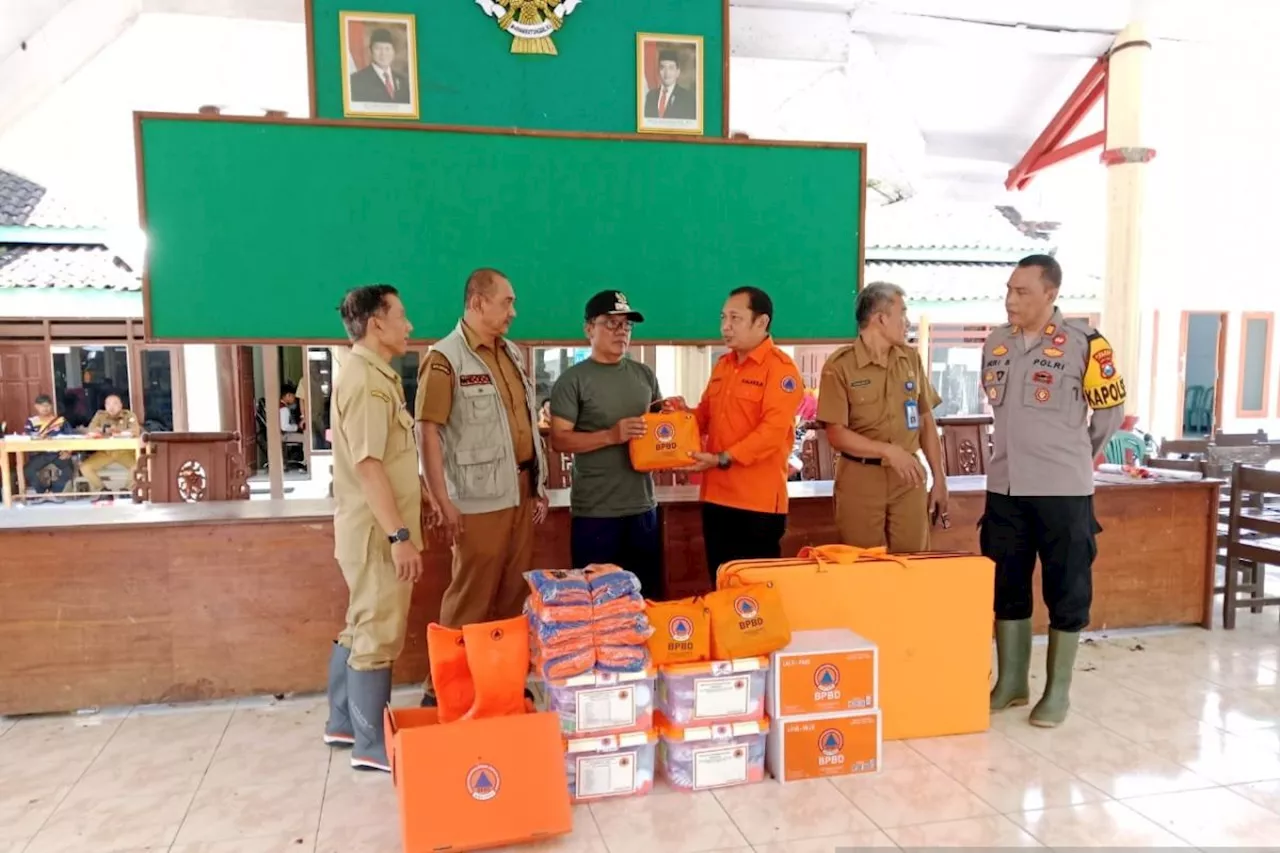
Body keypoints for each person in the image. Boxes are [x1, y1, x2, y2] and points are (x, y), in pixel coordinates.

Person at [983, 255, 1125, 728]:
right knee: (1006, 584)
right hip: (1004, 486)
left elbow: (1108, 414)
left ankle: (1057, 691)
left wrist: (1074, 458)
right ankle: (1011, 683)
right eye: (1008, 290)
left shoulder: (1086, 344)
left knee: (1066, 588)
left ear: (1051, 294)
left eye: (1022, 292)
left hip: (1063, 491)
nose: (1011, 300)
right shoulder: (996, 343)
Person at [416, 268, 548, 706]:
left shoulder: (509, 353)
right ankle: (444, 689)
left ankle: (502, 680)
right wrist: (441, 499)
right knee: (471, 593)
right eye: (506, 301)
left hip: (520, 493)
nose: (513, 311)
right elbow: (427, 430)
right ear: (477, 303)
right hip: (476, 500)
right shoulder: (444, 358)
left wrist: (539, 484)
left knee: (513, 594)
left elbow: (524, 424)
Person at [323, 283, 424, 772]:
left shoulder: (372, 375)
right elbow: (368, 466)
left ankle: (343, 722)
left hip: (370, 531)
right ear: (376, 323)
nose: (409, 326)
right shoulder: (364, 381)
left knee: (359, 626)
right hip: (377, 536)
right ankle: (371, 746)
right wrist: (399, 537)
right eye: (401, 316)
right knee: (378, 634)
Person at [684, 287, 803, 583]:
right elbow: (704, 416)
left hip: (757, 504)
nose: (725, 326)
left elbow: (771, 433)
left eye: (735, 318)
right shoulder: (724, 366)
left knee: (754, 600)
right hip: (716, 498)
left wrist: (722, 458)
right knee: (722, 586)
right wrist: (676, 423)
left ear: (761, 323)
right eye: (723, 317)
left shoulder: (781, 370)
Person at [548, 291, 665, 594]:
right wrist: (611, 436)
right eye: (611, 324)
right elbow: (559, 440)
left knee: (646, 599)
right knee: (597, 605)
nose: (621, 331)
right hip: (596, 512)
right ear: (589, 329)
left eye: (626, 325)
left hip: (643, 507)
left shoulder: (644, 375)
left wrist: (675, 419)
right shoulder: (573, 380)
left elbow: (658, 428)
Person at [817, 282, 947, 552]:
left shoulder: (910, 359)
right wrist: (887, 451)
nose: (907, 322)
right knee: (862, 566)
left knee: (913, 565)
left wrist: (940, 479)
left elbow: (925, 421)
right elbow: (836, 433)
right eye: (903, 313)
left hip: (908, 477)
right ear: (881, 318)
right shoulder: (840, 366)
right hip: (860, 479)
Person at [80, 394, 140, 505]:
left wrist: (118, 431)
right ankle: (103, 490)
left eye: (115, 404)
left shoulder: (128, 415)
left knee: (138, 465)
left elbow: (135, 431)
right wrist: (104, 430)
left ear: (121, 405)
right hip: (106, 452)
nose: (111, 407)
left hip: (124, 451)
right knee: (85, 467)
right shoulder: (100, 415)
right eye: (108, 404)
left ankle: (127, 490)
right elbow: (90, 429)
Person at [23, 394, 74, 498]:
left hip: (58, 453)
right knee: (28, 470)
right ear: (36, 407)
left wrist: (68, 452)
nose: (45, 408)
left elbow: (70, 437)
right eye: (42, 405)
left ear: (52, 406)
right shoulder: (31, 422)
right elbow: (28, 437)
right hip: (40, 454)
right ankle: (42, 493)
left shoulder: (61, 421)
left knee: (69, 470)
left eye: (47, 405)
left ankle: (54, 492)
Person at [349, 28, 411, 104]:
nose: (383, 54)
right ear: (371, 51)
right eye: (378, 48)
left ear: (394, 52)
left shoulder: (404, 80)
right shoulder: (356, 80)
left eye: (387, 49)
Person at [643, 49, 697, 120]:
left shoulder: (688, 98)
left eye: (671, 68)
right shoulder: (650, 96)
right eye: (662, 68)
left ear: (677, 72)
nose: (666, 73)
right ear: (658, 71)